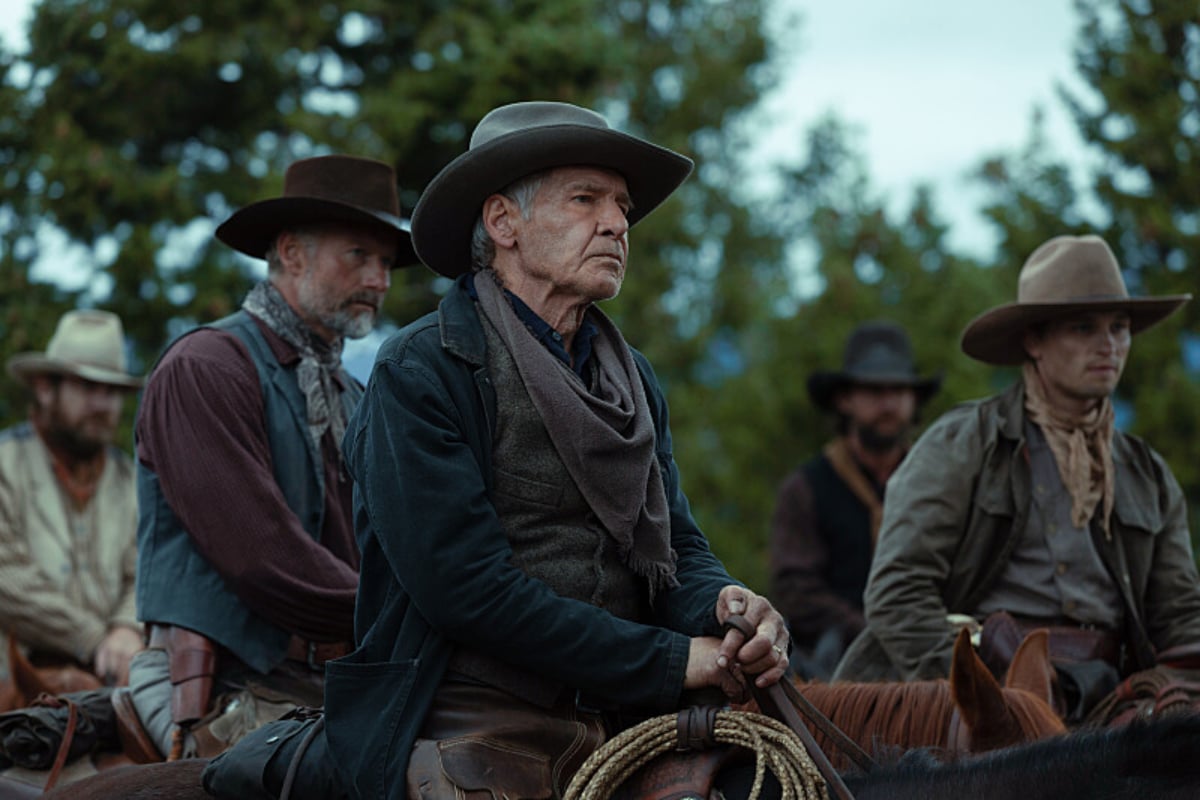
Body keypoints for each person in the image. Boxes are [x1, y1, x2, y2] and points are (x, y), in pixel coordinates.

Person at [312, 101, 790, 800]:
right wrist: (671, 661)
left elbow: (676, 546)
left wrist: (727, 609)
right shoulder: (422, 371)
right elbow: (466, 592)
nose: (618, 224)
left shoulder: (632, 378)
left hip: (628, 716)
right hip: (470, 716)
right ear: (504, 223)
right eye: (585, 199)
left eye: (622, 206)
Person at [832, 234, 1200, 723]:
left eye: (1120, 327)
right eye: (1084, 327)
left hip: (1110, 699)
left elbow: (1180, 620)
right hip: (980, 701)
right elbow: (898, 593)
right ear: (1034, 341)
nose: (1108, 345)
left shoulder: (1146, 474)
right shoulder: (965, 443)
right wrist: (982, 687)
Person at [128, 154, 417, 759]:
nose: (380, 280)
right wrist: (410, 612)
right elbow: (262, 559)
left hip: (322, 678)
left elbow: (385, 540)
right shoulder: (205, 367)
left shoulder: (353, 392)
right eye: (358, 256)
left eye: (386, 262)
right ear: (290, 254)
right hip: (218, 680)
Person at [769, 321, 940, 679]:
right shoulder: (806, 488)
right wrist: (873, 634)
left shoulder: (936, 484)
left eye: (899, 391)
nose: (889, 404)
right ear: (845, 399)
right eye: (875, 391)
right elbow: (796, 592)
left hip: (928, 656)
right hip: (834, 666)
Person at [0, 310, 143, 686]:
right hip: (13, 679)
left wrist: (128, 627)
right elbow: (6, 578)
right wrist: (94, 639)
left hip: (114, 681)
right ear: (46, 388)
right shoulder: (5, 465)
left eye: (111, 391)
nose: (102, 404)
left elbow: (147, 569)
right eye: (88, 387)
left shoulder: (133, 482)